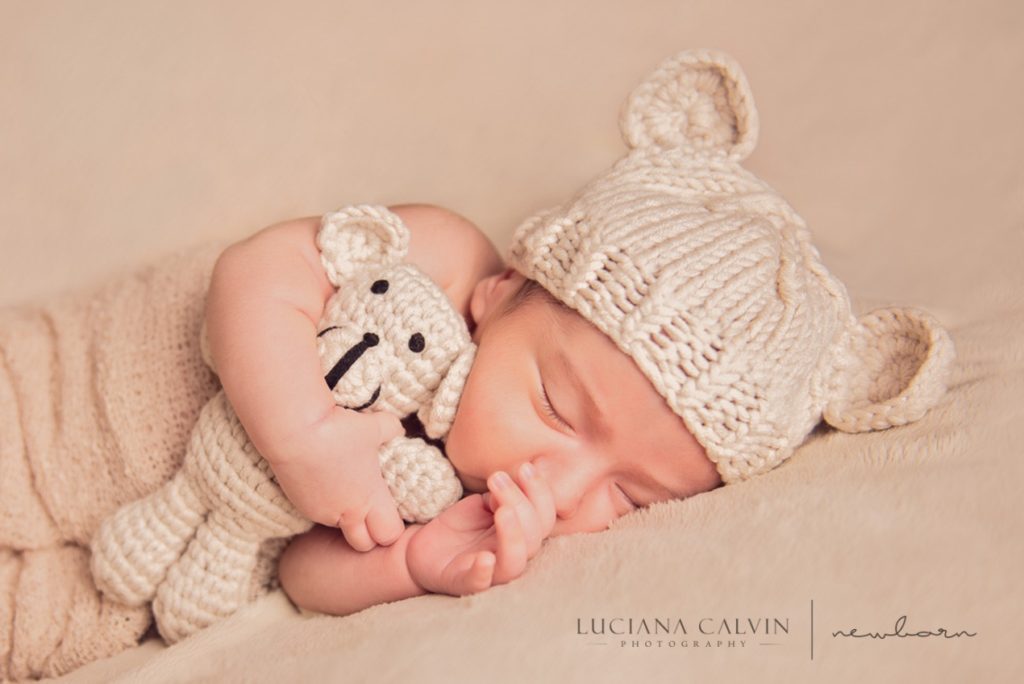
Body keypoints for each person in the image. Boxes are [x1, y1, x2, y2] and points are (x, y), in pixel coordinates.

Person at [204, 49, 954, 617]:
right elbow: (255, 274)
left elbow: (298, 569)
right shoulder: (447, 262)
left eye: (628, 496)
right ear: (501, 296)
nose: (561, 492)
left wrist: (410, 565)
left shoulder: (470, 506)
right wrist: (304, 436)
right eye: (555, 407)